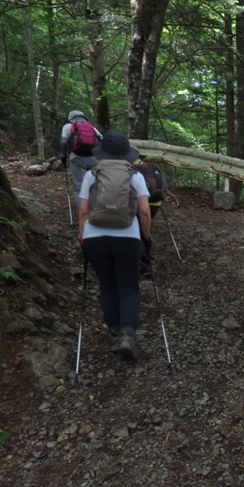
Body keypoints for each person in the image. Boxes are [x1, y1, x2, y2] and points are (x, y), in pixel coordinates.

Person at [78, 130, 152, 362]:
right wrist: (146, 239)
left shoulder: (92, 174)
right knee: (129, 286)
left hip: (94, 237)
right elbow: (144, 211)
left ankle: (115, 331)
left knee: (108, 285)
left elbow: (83, 211)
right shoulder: (135, 175)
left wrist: (83, 237)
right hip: (127, 236)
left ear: (104, 152)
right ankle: (128, 335)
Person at [60, 110, 102, 205]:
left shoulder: (67, 126)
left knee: (79, 187)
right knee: (94, 186)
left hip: (77, 158)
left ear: (70, 118)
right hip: (94, 159)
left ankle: (82, 213)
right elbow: (102, 140)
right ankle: (96, 211)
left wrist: (64, 156)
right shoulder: (92, 128)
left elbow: (63, 142)